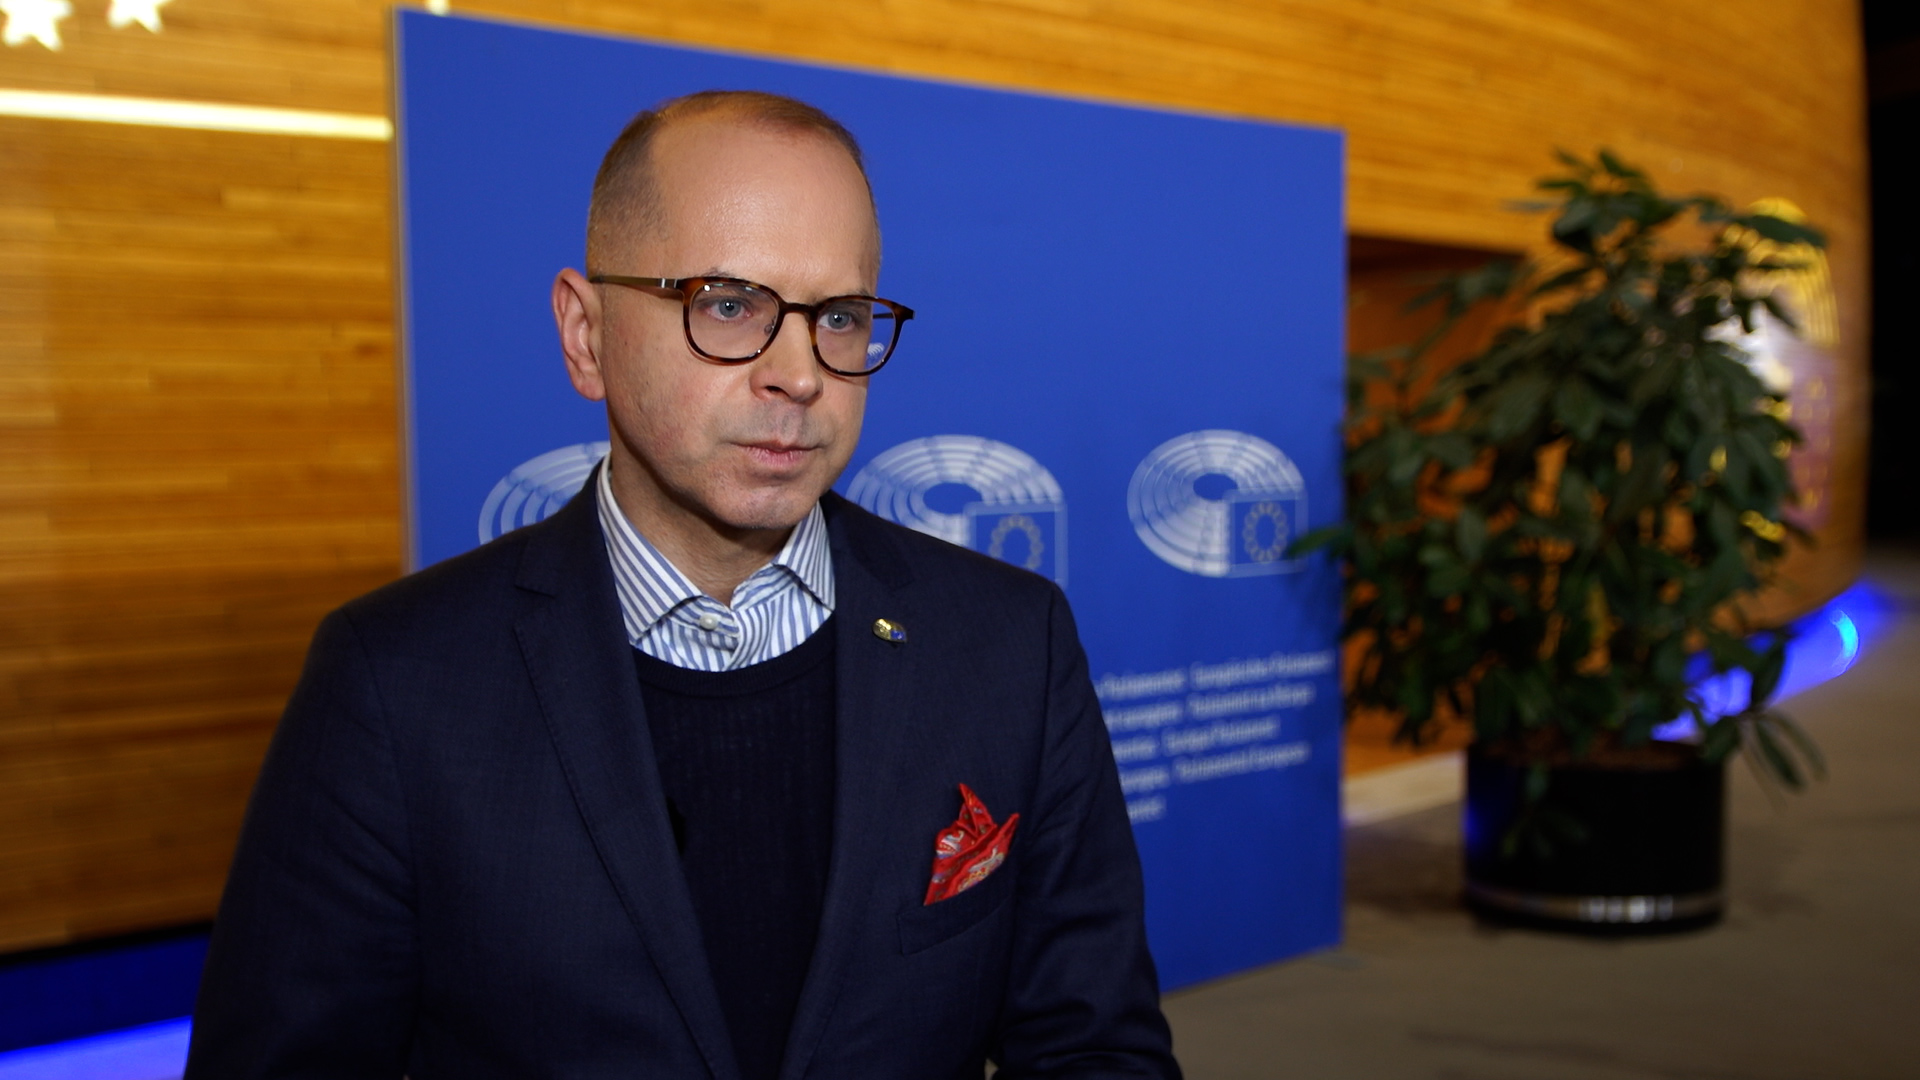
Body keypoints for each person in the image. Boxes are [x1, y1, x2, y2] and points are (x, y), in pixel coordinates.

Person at [186, 90, 1180, 1080]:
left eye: (838, 317)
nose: (799, 374)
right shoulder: (395, 683)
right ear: (587, 335)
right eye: (729, 304)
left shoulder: (1010, 644)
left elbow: (1095, 1049)